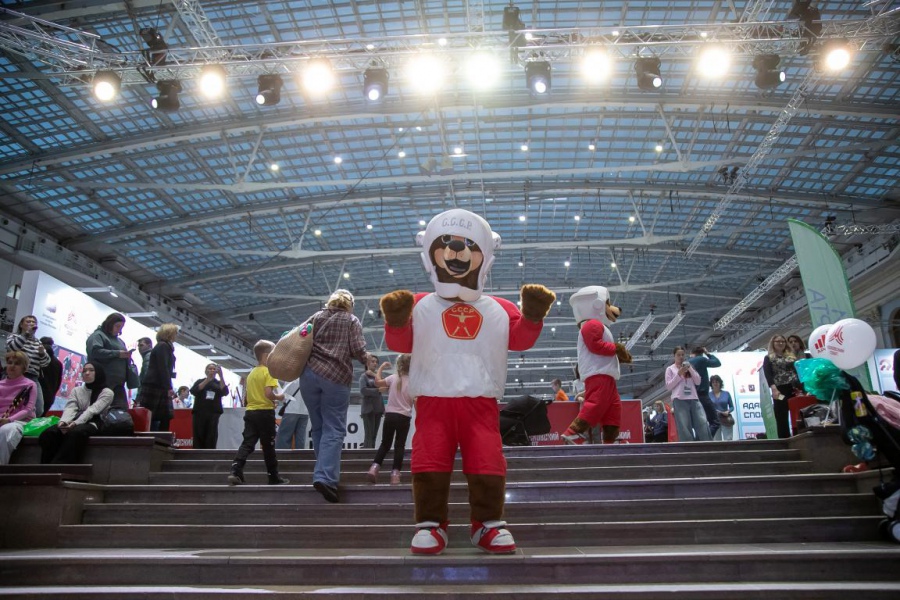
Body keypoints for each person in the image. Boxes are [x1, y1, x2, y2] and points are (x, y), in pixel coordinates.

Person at [298, 289, 369, 502]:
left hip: (308, 375)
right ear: (350, 305)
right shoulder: (351, 320)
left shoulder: (316, 316)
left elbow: (300, 337)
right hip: (335, 376)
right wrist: (367, 360)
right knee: (335, 428)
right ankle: (325, 478)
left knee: (318, 426)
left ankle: (322, 470)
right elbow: (357, 349)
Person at [228, 340, 288, 486]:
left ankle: (236, 469)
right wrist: (279, 397)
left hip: (251, 412)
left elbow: (250, 396)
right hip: (265, 413)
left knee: (248, 442)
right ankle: (273, 477)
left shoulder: (252, 373)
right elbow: (268, 393)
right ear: (266, 356)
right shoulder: (269, 372)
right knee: (268, 446)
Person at [38, 362, 113, 464]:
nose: (87, 373)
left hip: (94, 423)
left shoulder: (107, 392)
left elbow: (92, 410)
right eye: (84, 370)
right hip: (72, 420)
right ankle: (45, 466)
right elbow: (70, 408)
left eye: (91, 370)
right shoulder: (76, 390)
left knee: (75, 433)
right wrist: (63, 422)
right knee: (49, 433)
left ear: (99, 373)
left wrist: (75, 423)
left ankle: (61, 466)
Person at [367, 354, 414, 485]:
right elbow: (415, 400)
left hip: (390, 415)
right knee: (399, 446)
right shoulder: (413, 382)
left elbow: (377, 382)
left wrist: (381, 367)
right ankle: (395, 475)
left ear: (398, 365)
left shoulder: (393, 378)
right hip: (404, 417)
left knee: (385, 444)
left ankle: (374, 468)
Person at [86, 312, 133, 410]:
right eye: (117, 326)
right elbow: (95, 352)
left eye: (121, 327)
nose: (119, 329)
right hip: (103, 383)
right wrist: (117, 354)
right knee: (100, 411)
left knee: (122, 413)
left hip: (119, 384)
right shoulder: (98, 336)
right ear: (110, 324)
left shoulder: (120, 341)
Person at [136, 323, 178, 432]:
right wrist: (168, 387)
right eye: (175, 333)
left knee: (160, 416)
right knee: (157, 416)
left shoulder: (164, 346)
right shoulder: (163, 346)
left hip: (158, 385)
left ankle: (156, 438)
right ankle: (154, 438)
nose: (176, 335)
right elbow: (163, 367)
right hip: (156, 385)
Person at [6, 315, 50, 417]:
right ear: (21, 325)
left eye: (34, 322)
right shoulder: (14, 337)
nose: (31, 323)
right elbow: (12, 348)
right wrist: (26, 334)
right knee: (8, 403)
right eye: (28, 321)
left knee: (39, 408)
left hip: (32, 377)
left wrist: (42, 353)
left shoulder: (38, 342)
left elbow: (45, 363)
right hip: (15, 376)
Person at [665, 346, 710, 442]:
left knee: (702, 422)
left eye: (682, 355)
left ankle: (705, 444)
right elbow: (668, 386)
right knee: (684, 426)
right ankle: (688, 446)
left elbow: (698, 381)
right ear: (674, 356)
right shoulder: (670, 369)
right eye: (678, 355)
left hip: (693, 398)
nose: (681, 357)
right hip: (679, 400)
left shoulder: (690, 367)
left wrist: (690, 369)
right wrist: (679, 374)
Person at [0, 351, 38, 464]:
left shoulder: (30, 385)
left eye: (17, 363)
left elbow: (28, 410)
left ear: (23, 368)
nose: (12, 366)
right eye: (10, 363)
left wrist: (8, 420)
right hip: (1, 420)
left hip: (20, 421)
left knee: (6, 431)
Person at [762, 334, 802, 439]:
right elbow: (768, 374)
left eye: (783, 341)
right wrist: (774, 389)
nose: (780, 343)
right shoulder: (769, 358)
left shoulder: (792, 356)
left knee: (798, 412)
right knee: (781, 413)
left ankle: (799, 434)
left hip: (794, 388)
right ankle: (784, 438)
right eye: (778, 341)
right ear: (773, 343)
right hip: (780, 390)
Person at [190, 363, 229, 449]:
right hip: (200, 412)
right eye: (210, 369)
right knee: (199, 434)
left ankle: (210, 452)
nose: (212, 370)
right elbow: (194, 391)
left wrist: (221, 376)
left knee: (211, 435)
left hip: (213, 412)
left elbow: (225, 392)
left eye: (213, 369)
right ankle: (197, 452)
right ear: (206, 371)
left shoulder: (218, 383)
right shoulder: (200, 381)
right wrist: (208, 379)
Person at [688, 347, 722, 438]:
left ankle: (699, 442)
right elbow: (717, 363)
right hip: (702, 395)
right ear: (701, 353)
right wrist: (708, 353)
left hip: (691, 397)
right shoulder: (701, 359)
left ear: (692, 352)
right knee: (715, 422)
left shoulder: (687, 362)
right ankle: (704, 441)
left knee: (699, 424)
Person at [359, 354, 387, 448]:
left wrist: (375, 375)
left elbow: (386, 385)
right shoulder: (364, 376)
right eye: (373, 361)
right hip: (368, 409)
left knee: (374, 436)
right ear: (367, 363)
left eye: (376, 362)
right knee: (369, 436)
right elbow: (363, 390)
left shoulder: (378, 377)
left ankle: (372, 454)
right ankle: (367, 454)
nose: (375, 363)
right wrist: (377, 390)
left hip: (378, 409)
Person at [276, 378, 308, 451]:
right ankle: (300, 456)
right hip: (305, 411)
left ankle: (283, 456)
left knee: (284, 437)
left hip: (291, 410)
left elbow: (283, 395)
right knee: (300, 438)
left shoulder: (291, 379)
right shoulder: (307, 379)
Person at [38, 336, 63, 415]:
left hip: (36, 394)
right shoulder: (58, 363)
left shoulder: (37, 358)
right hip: (49, 397)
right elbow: (58, 383)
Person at [709, 375, 735, 441]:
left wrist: (728, 411)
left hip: (725, 419)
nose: (715, 384)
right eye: (713, 382)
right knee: (716, 440)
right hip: (714, 420)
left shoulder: (726, 393)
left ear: (720, 383)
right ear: (711, 384)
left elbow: (732, 407)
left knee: (728, 439)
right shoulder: (708, 395)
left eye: (717, 382)